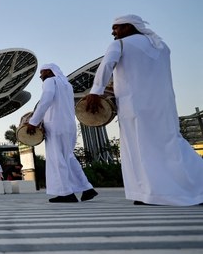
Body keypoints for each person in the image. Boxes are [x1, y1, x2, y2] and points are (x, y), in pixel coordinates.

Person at [83, 14, 203, 206]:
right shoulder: (161, 46)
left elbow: (106, 65)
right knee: (171, 145)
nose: (113, 32)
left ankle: (149, 192)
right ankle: (194, 187)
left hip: (135, 105)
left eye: (117, 27)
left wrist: (96, 91)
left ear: (129, 27)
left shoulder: (120, 45)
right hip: (163, 104)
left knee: (139, 148)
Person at [27, 63, 97, 203]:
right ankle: (87, 188)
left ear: (49, 71)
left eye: (42, 72)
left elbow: (45, 100)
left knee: (56, 158)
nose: (41, 76)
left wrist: (33, 121)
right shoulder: (67, 85)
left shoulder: (50, 81)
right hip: (69, 126)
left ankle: (65, 193)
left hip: (55, 125)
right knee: (68, 157)